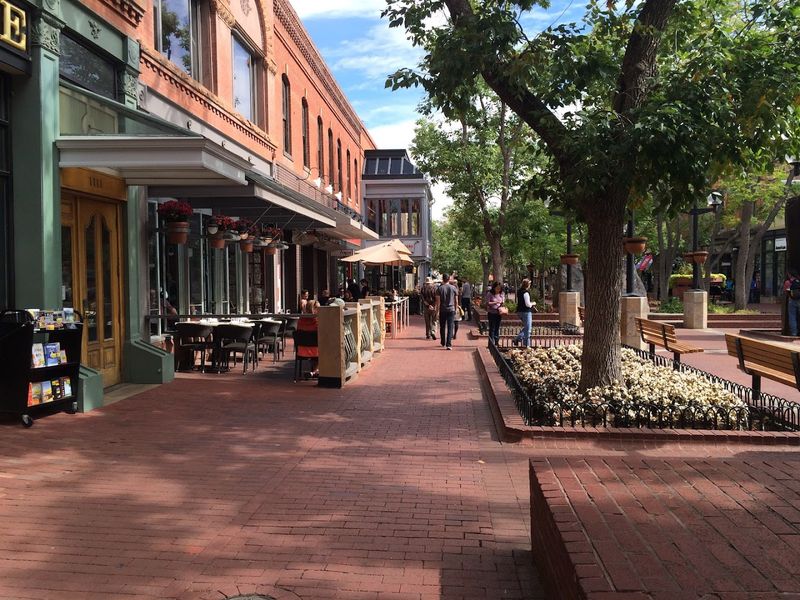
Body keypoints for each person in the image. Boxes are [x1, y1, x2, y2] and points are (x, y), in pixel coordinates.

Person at [435, 274, 459, 349]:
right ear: (449, 279)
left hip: (442, 309)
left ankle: (443, 342)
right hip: (451, 309)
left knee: (442, 326)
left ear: (443, 279)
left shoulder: (439, 289)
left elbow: (438, 302)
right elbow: (456, 301)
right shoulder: (454, 288)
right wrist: (455, 309)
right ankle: (449, 344)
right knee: (450, 326)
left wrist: (437, 312)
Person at [513, 278, 535, 348]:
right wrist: (533, 303)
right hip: (526, 311)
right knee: (528, 329)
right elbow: (528, 304)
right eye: (529, 284)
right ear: (527, 285)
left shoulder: (519, 291)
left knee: (526, 327)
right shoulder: (526, 292)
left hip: (519, 311)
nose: (530, 285)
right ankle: (526, 345)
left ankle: (517, 339)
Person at [485, 281, 505, 346]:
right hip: (492, 313)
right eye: (497, 288)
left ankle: (496, 341)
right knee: (492, 328)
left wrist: (502, 303)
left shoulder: (501, 294)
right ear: (494, 288)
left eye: (499, 289)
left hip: (499, 312)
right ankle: (491, 342)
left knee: (497, 327)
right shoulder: (490, 294)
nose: (498, 290)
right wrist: (495, 302)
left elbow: (503, 300)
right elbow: (488, 303)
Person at [784, 270, 800, 336]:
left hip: (792, 300)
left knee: (792, 316)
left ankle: (794, 333)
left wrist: (790, 295)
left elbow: (786, 291)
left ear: (790, 274)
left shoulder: (788, 282)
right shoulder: (799, 280)